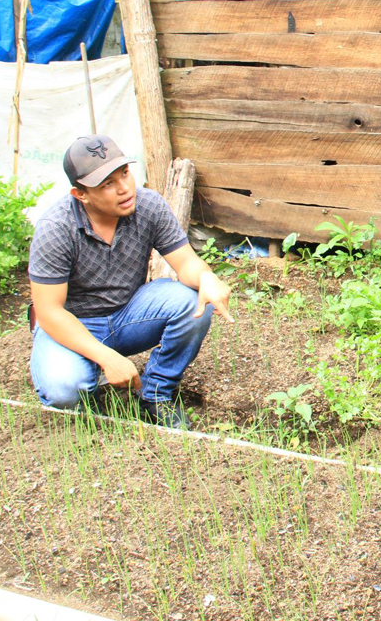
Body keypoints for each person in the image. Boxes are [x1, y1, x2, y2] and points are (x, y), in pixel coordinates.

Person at [28, 134, 233, 430]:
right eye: (107, 184)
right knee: (63, 391)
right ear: (80, 195)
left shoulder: (148, 205)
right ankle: (89, 391)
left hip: (128, 315)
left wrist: (206, 277)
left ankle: (156, 395)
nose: (124, 188)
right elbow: (49, 312)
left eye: (124, 173)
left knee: (194, 303)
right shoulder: (56, 229)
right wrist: (106, 358)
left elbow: (185, 261)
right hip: (74, 323)